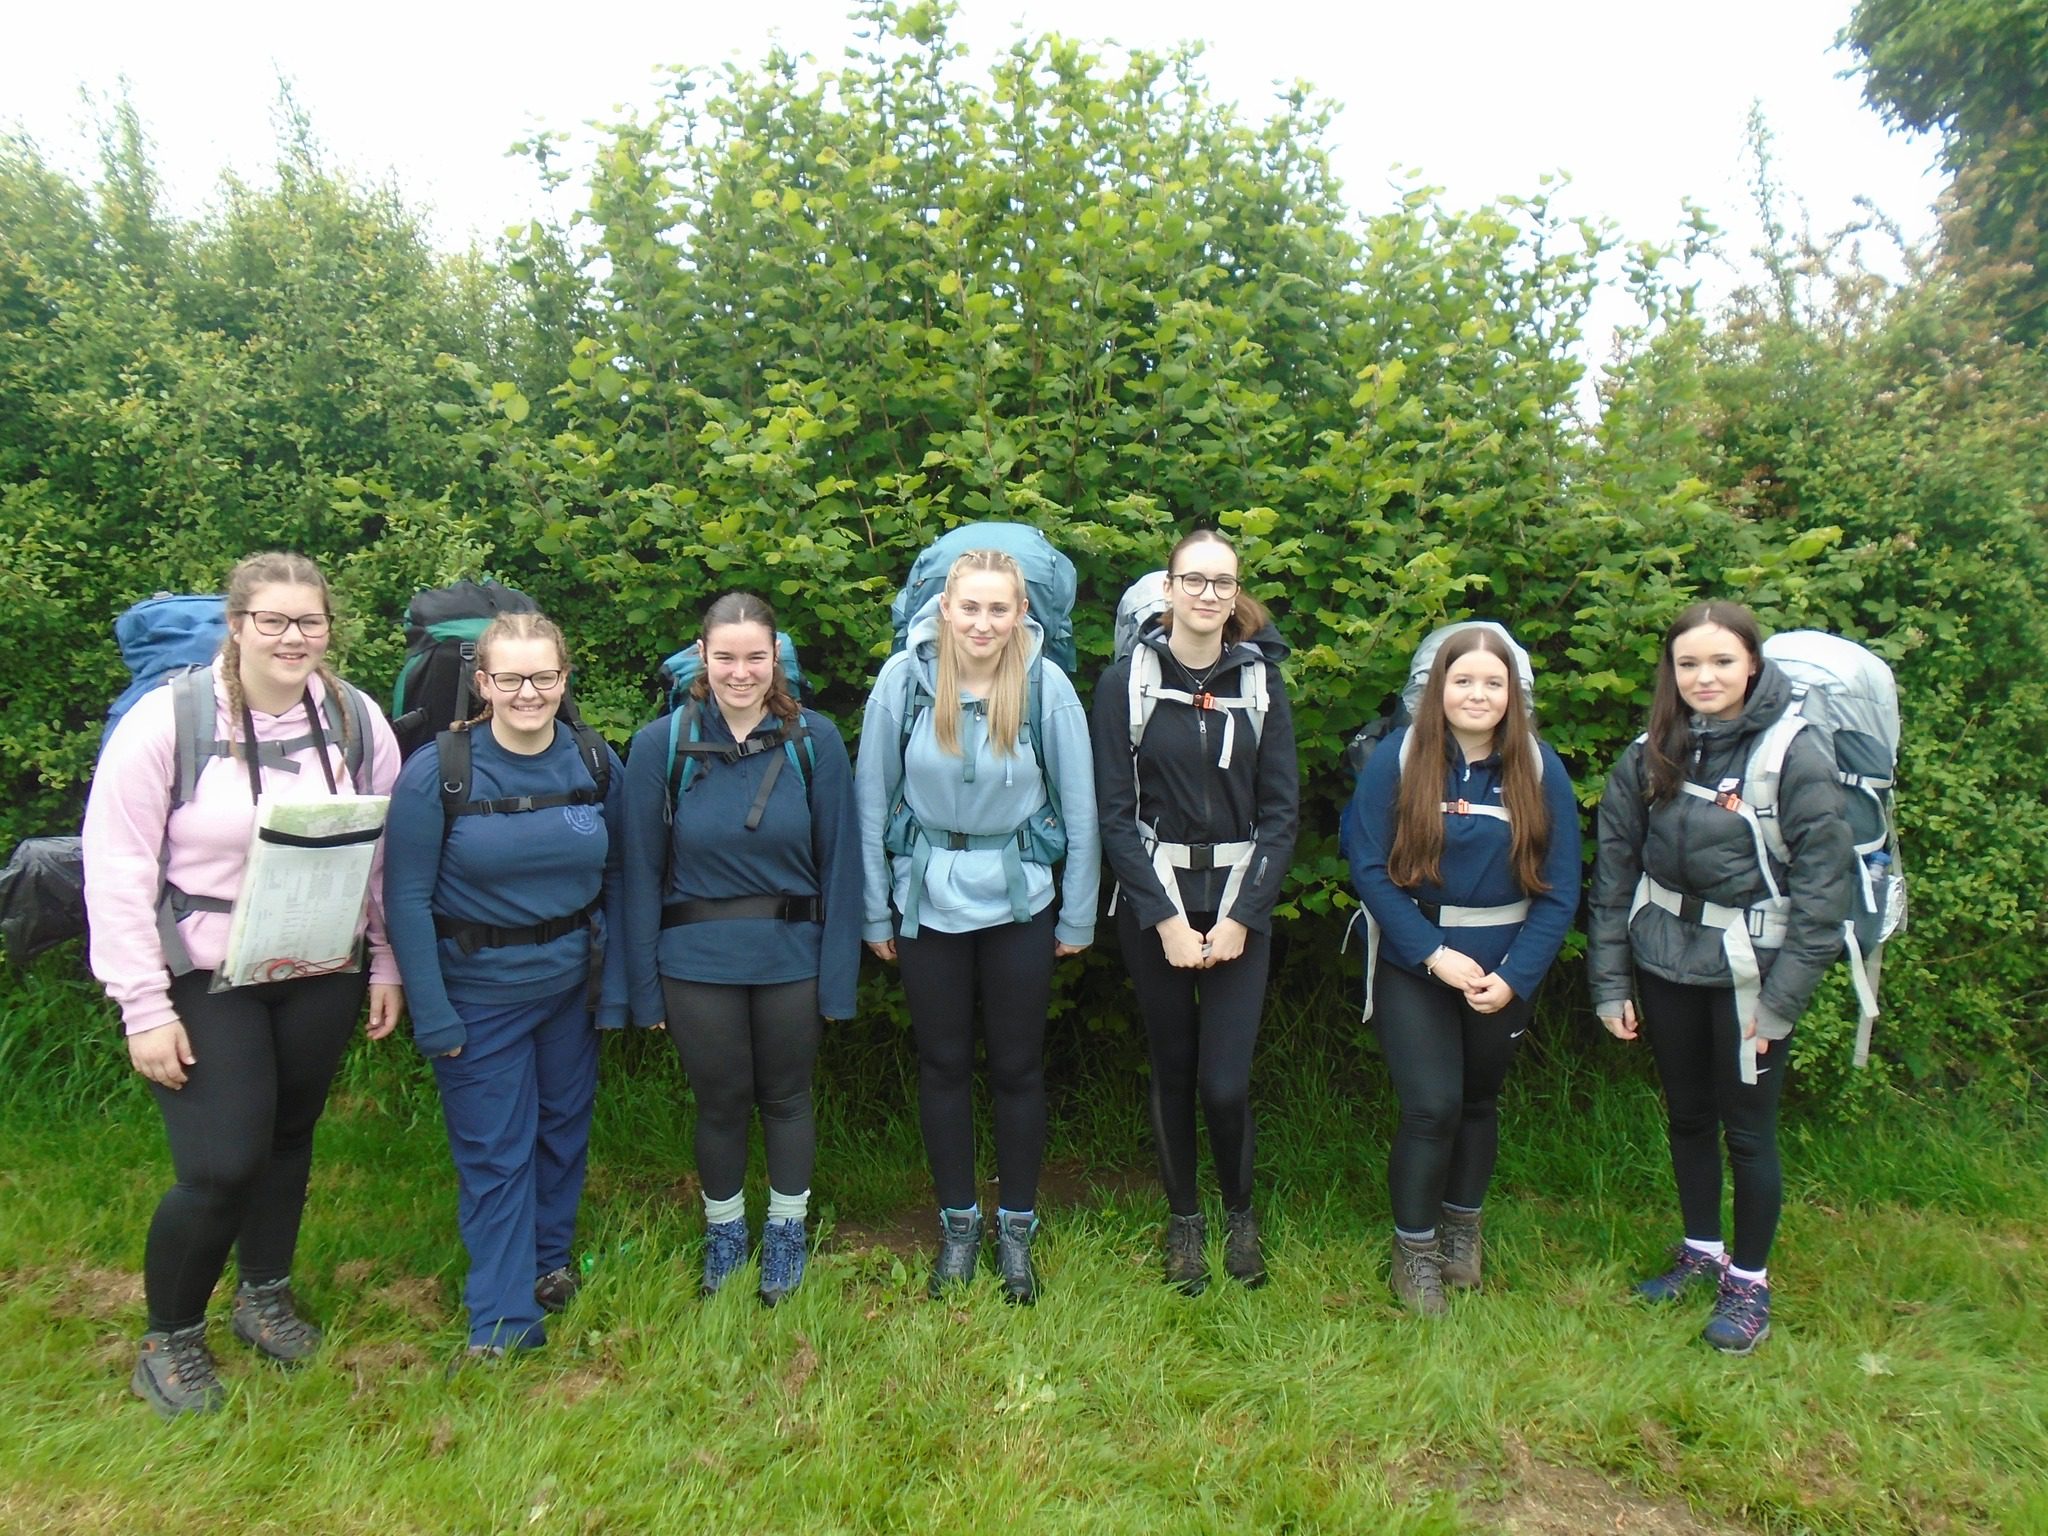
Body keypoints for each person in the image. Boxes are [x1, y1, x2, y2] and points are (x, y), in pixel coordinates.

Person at [82, 551, 403, 1418]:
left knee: (288, 1137)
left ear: (329, 627)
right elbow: (115, 869)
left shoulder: (356, 718)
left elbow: (383, 852)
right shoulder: (167, 720)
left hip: (319, 963)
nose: (293, 637)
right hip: (205, 971)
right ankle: (169, 1338)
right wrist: (142, 1007)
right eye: (273, 620)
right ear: (237, 625)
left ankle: (263, 1297)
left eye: (310, 621)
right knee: (221, 1163)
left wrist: (386, 959)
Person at [1588, 601, 1850, 1354]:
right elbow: (1614, 875)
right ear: (1671, 673)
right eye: (1689, 664)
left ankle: (1750, 1281)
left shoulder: (1794, 754)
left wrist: (1783, 1001)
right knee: (1687, 1115)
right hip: (1665, 962)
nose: (1705, 677)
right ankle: (1701, 1249)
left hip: (1750, 975)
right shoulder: (1649, 755)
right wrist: (1610, 983)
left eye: (1722, 661)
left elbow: (1823, 892)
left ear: (1753, 665)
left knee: (1749, 1130)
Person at [855, 548, 1099, 1304]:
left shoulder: (1045, 684)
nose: (983, 623)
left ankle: (1016, 1227)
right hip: (926, 901)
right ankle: (959, 1225)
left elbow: (1082, 807)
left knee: (1019, 1066)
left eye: (999, 608)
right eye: (970, 607)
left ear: (1022, 612)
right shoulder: (905, 680)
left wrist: (1079, 912)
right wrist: (874, 908)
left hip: (1020, 900)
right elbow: (871, 800)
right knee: (943, 1064)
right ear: (945, 608)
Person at [382, 611, 626, 1360]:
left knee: (561, 1132)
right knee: (496, 1152)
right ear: (483, 683)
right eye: (511, 678)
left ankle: (548, 1264)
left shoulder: (593, 760)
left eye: (543, 676)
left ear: (564, 678)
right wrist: (433, 1015)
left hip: (570, 989)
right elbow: (405, 900)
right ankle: (500, 1319)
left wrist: (617, 986)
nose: (529, 692)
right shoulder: (439, 772)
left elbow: (622, 874)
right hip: (478, 995)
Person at [621, 592, 861, 1305]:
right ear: (702, 656)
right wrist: (642, 989)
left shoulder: (815, 741)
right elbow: (638, 873)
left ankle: (787, 1232)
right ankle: (724, 1233)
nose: (740, 672)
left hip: (793, 956)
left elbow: (842, 866)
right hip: (694, 962)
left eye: (755, 657)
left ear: (776, 656)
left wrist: (837, 980)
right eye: (725, 657)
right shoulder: (659, 746)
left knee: (787, 1097)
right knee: (720, 1102)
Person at [1341, 624, 1579, 1314]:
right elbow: (1370, 869)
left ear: (1514, 694)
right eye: (1463, 680)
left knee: (1478, 1102)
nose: (1478, 694)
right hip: (1417, 960)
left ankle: (1461, 1231)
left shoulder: (1539, 768)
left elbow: (1561, 888)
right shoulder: (1399, 757)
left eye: (1493, 683)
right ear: (1437, 688)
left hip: (1504, 968)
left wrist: (1516, 975)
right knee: (1431, 1106)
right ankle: (1414, 1251)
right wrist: (1432, 953)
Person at [1091, 530, 1298, 1294]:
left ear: (1236, 594)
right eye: (1195, 580)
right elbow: (1115, 816)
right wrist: (1166, 921)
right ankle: (1185, 1221)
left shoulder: (1263, 683)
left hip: (1241, 901)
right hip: (1159, 904)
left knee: (1225, 1084)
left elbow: (1282, 814)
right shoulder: (1125, 684)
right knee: (1173, 1070)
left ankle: (1240, 1213)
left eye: (1223, 583)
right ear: (1170, 589)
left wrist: (1243, 916)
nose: (1209, 595)